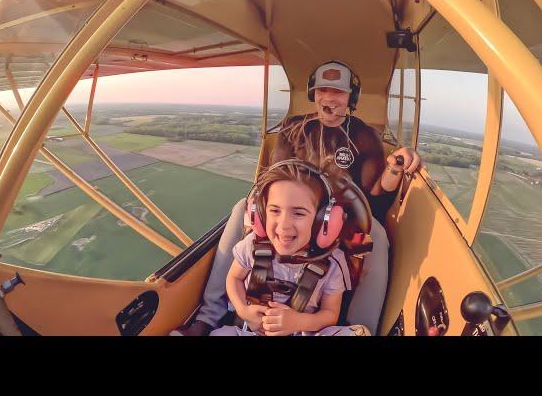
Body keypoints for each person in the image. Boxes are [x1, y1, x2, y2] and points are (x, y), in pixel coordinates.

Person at [171, 60, 422, 336]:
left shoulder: (364, 136)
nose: (329, 98)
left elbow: (375, 195)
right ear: (314, 94)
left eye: (338, 92)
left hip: (338, 215)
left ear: (351, 98)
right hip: (295, 207)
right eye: (323, 90)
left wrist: (394, 168)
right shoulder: (294, 128)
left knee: (377, 233)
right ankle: (208, 318)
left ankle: (359, 328)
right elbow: (275, 178)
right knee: (242, 207)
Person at [210, 161, 369, 336]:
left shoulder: (333, 262)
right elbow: (234, 278)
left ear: (322, 221)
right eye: (275, 211)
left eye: (299, 213)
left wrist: (298, 321)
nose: (284, 225)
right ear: (261, 214)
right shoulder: (251, 246)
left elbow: (330, 314)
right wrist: (243, 310)